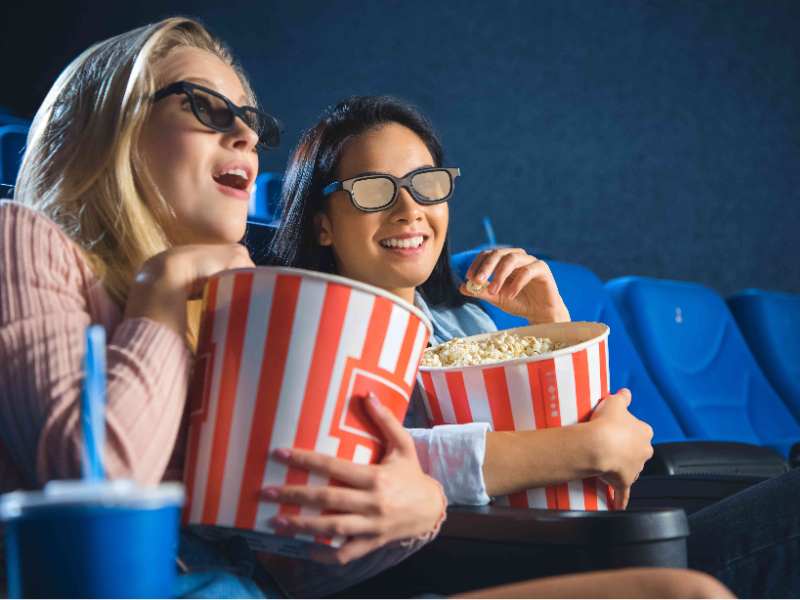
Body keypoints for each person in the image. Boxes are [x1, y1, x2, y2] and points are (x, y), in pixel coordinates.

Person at [0, 16, 732, 600]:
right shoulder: (25, 239)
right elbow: (101, 486)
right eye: (205, 107)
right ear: (117, 127)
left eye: (250, 119)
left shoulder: (225, 307)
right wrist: (162, 288)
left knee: (684, 593)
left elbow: (288, 548)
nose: (248, 134)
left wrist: (419, 506)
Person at [268, 94, 800, 598]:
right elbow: (351, 478)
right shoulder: (308, 339)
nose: (409, 209)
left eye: (426, 184)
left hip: (576, 529)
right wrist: (591, 446)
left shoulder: (464, 320)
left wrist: (552, 325)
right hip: (484, 560)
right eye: (372, 189)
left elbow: (601, 455)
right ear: (322, 224)